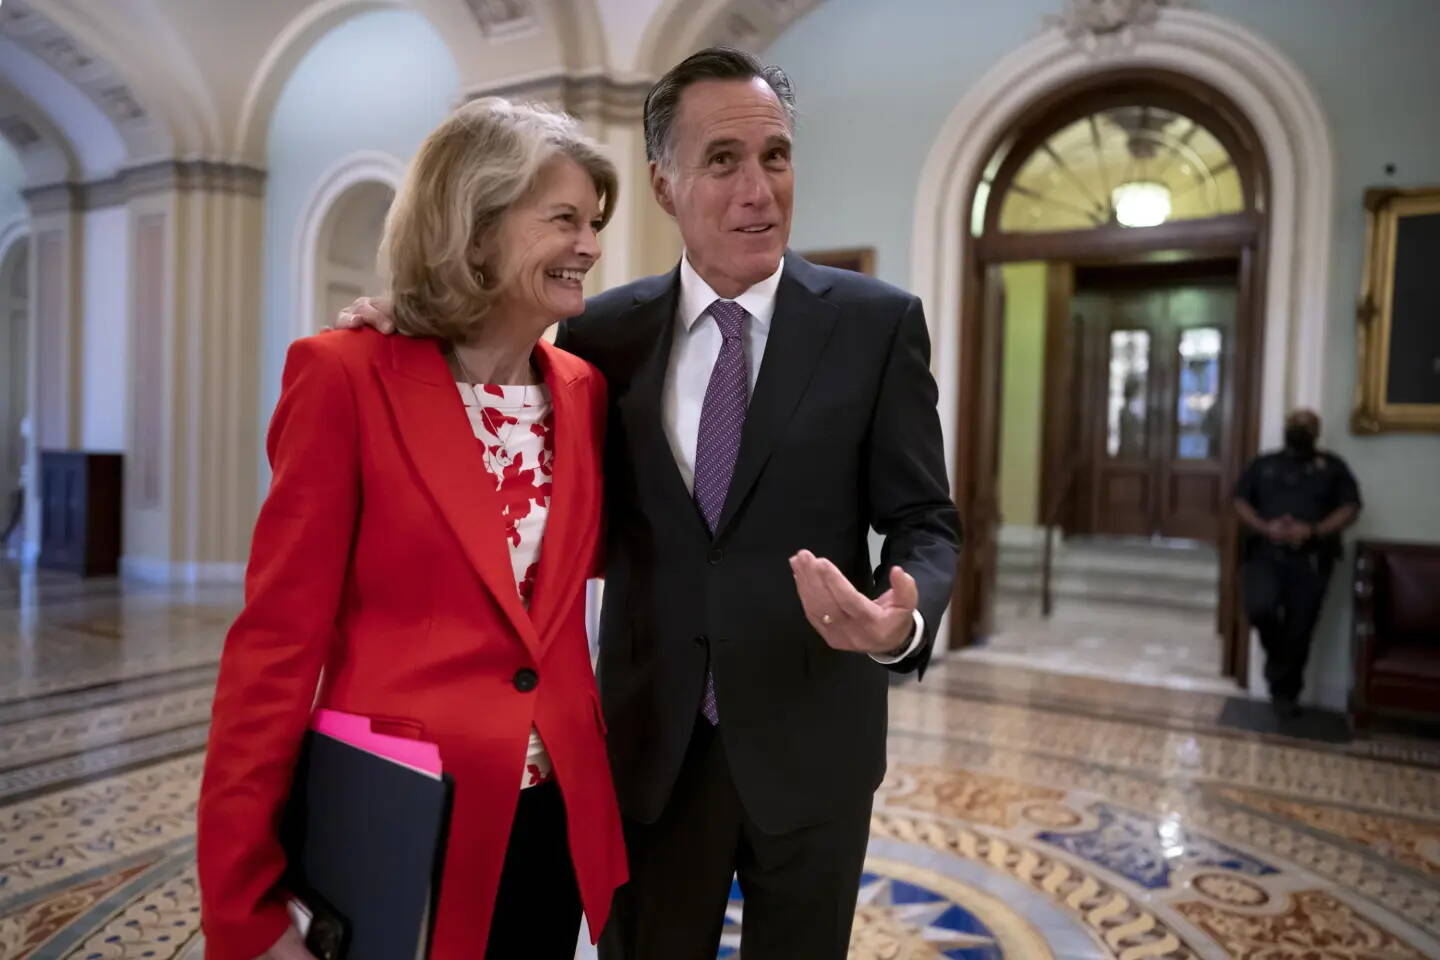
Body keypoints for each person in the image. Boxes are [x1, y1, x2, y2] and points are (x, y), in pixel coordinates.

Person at [340, 48, 960, 959]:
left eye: (776, 156)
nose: (759, 189)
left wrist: (900, 619)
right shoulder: (597, 335)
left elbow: (926, 521)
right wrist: (406, 330)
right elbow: (500, 430)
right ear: (665, 186)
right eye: (722, 161)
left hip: (812, 756)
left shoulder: (877, 324)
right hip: (650, 756)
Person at [197, 99, 627, 960]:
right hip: (403, 817)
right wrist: (243, 899)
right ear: (474, 231)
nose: (590, 245)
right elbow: (275, 650)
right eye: (564, 221)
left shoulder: (583, 389)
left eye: (595, 223)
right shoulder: (344, 376)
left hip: (553, 815)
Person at [1234, 408, 1361, 717]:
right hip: (1265, 554)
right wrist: (1266, 528)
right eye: (1295, 423)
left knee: (1299, 629)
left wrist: (1313, 530)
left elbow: (1350, 507)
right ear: (1285, 428)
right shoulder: (1263, 464)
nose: (1300, 429)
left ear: (1316, 433)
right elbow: (1239, 500)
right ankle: (1278, 666)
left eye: (1307, 425)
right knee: (1260, 608)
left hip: (1311, 559)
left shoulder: (1332, 467)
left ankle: (1285, 694)